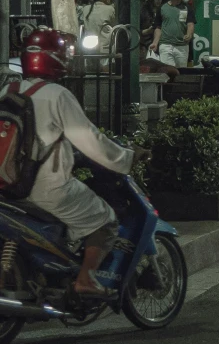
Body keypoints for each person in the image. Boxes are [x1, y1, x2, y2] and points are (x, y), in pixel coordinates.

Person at [6, 27, 135, 297]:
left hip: (7, 185)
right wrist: (125, 158)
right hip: (46, 189)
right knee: (105, 220)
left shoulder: (8, 89)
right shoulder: (57, 95)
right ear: (57, 59)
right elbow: (90, 140)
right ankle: (86, 279)